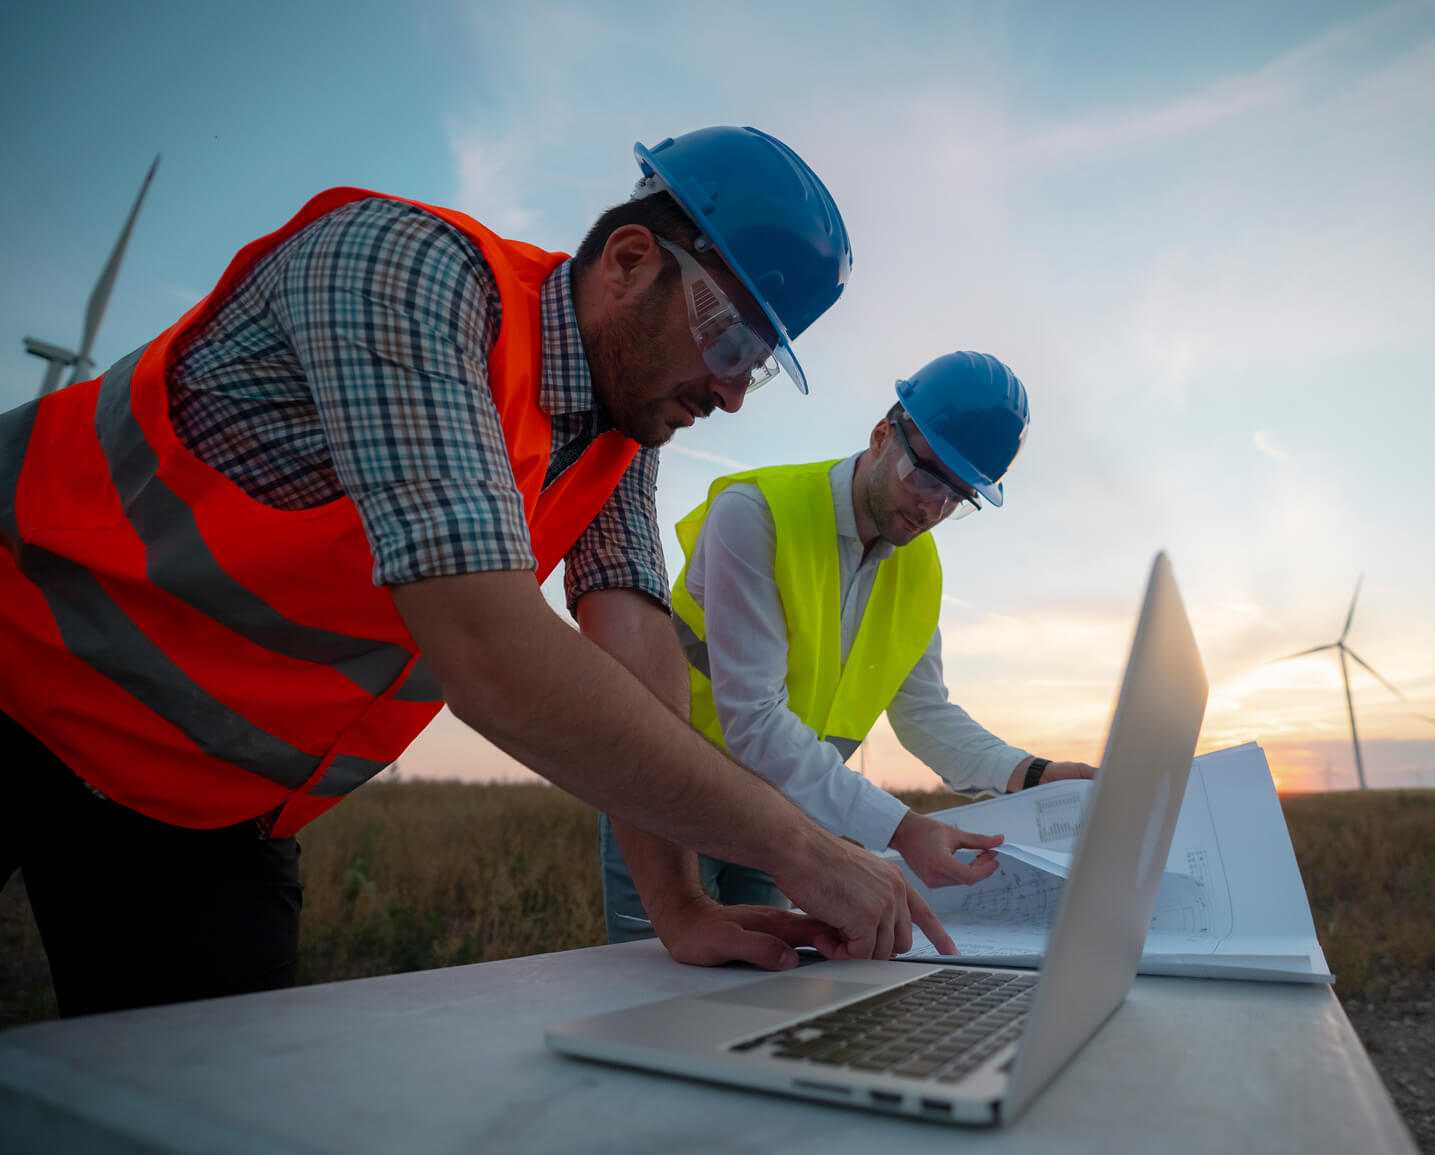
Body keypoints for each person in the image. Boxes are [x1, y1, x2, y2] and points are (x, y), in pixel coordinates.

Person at [0, 125, 953, 1018]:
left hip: (198, 797)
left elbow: (634, 639)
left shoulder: (619, 426)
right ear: (628, 263)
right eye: (734, 342)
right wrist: (799, 845)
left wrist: (679, 902)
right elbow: (491, 652)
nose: (734, 394)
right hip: (19, 674)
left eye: (761, 368)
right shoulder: (404, 273)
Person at [600, 351, 1095, 944]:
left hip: (780, 815)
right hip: (670, 798)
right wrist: (902, 828)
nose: (932, 509)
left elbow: (925, 717)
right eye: (928, 477)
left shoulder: (919, 573)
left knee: (764, 993)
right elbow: (752, 720)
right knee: (650, 995)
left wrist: (1033, 774)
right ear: (883, 435)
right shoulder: (755, 516)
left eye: (957, 498)